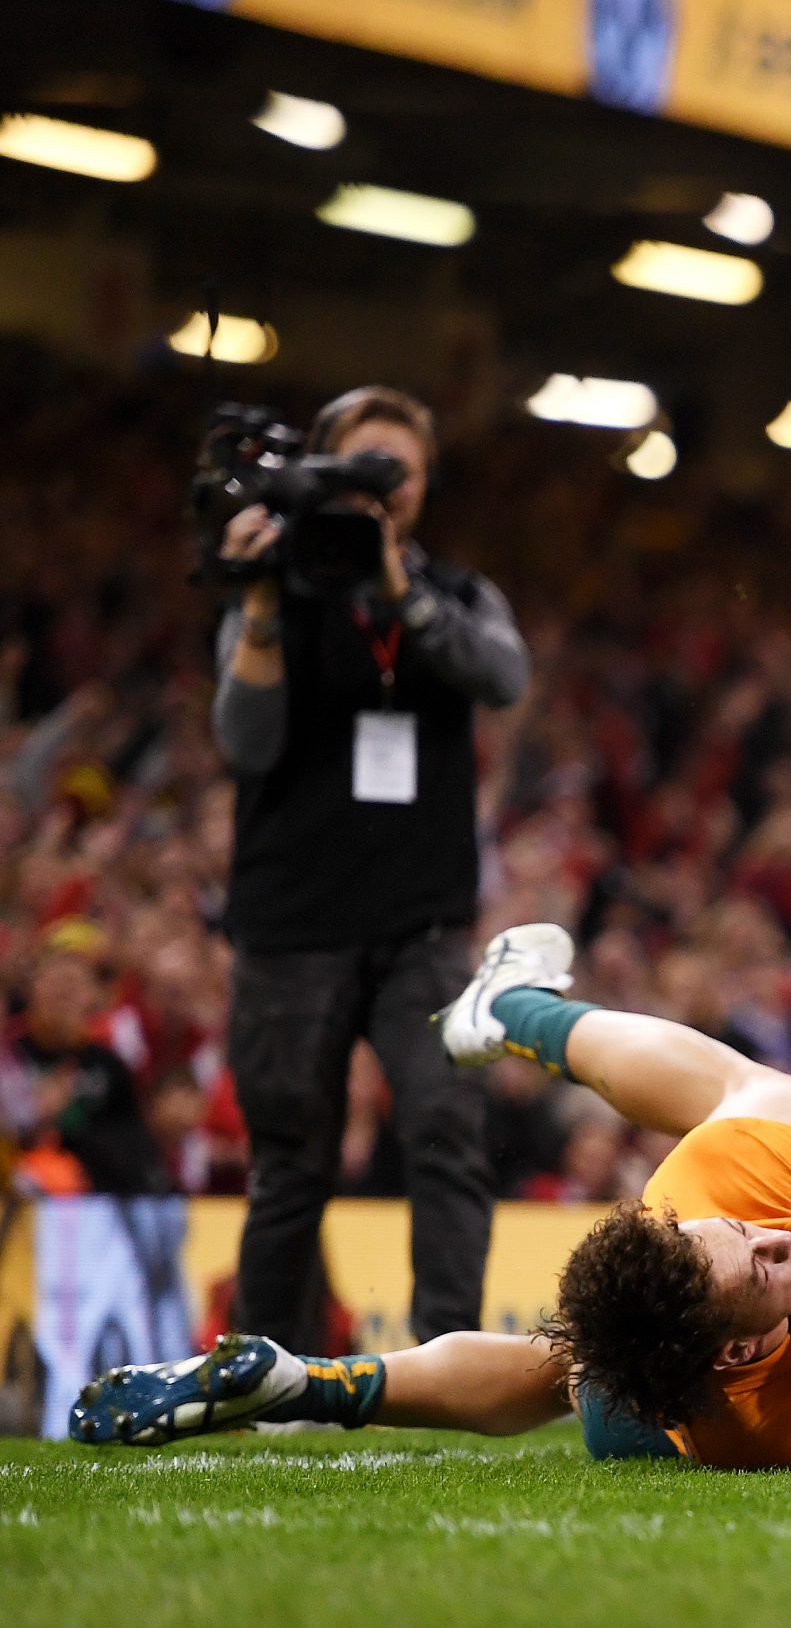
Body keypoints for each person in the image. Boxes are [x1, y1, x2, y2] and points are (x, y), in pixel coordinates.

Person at [69, 925, 791, 1471]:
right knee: (776, 1089)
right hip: (660, 1420)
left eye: (743, 1237)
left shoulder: (718, 1190)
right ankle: (518, 1012)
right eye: (760, 1262)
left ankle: (304, 1376)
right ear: (738, 1349)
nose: (771, 1235)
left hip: (634, 1364)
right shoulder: (783, 1419)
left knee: (584, 1334)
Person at [214, 386, 528, 1350]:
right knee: (291, 1160)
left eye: (399, 474)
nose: (380, 494)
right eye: (362, 470)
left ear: (426, 487)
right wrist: (261, 608)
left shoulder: (457, 592)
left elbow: (503, 677)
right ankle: (261, 1369)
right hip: (291, 921)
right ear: (321, 468)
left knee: (446, 1133)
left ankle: (448, 1367)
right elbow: (244, 740)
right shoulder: (272, 583)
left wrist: (401, 590)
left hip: (423, 923)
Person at [1, 920, 171, 1194]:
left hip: (93, 1204)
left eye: (73, 986)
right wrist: (32, 1116)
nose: (62, 994)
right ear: (32, 991)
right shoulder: (8, 1056)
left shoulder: (109, 1066)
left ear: (92, 998)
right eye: (54, 984)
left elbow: (133, 1147)